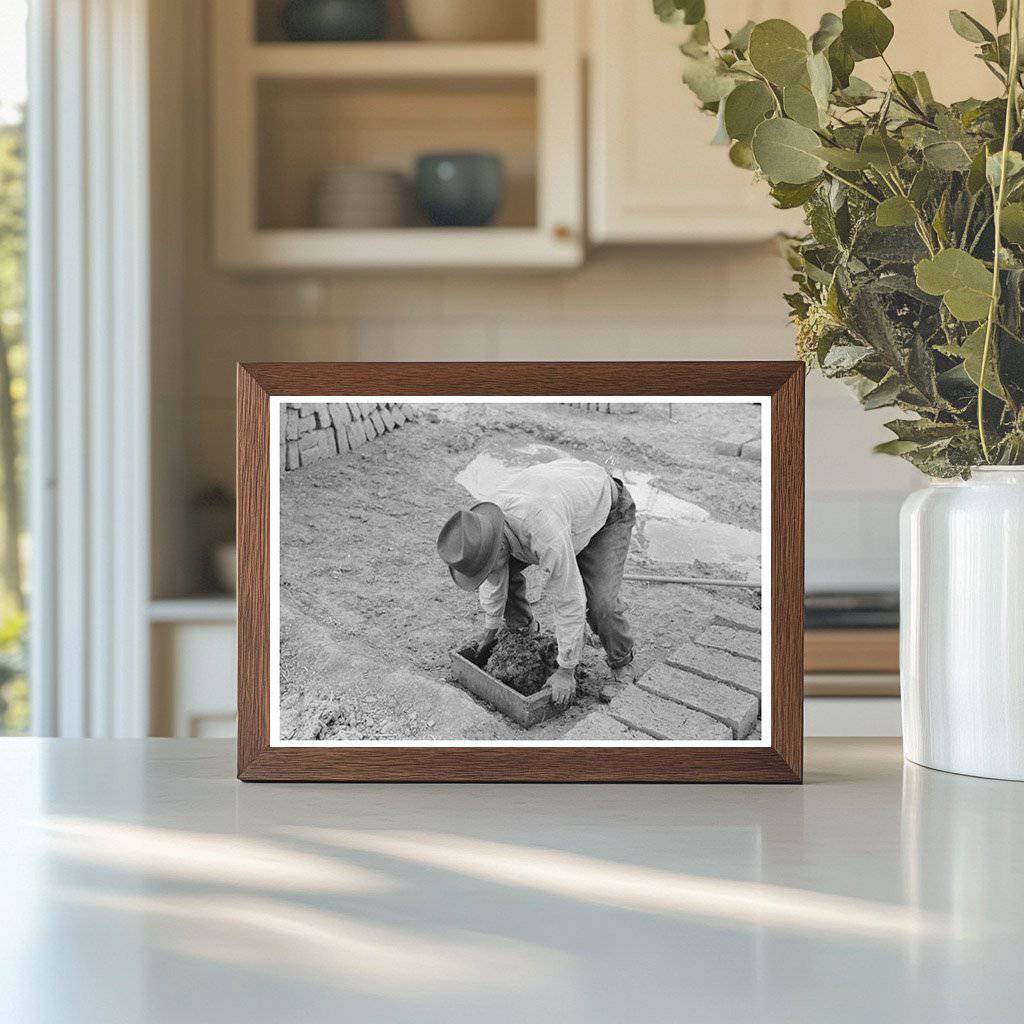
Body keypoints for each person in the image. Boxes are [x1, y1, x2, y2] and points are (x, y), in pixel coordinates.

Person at [437, 458, 637, 706]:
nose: (488, 573)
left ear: (499, 547)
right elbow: (495, 580)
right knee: (504, 573)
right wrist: (490, 630)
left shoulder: (543, 531)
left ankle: (622, 664)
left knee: (600, 604)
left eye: (488, 567)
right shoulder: (483, 529)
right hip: (564, 507)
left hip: (606, 513)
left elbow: (569, 599)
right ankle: (521, 632)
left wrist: (565, 670)